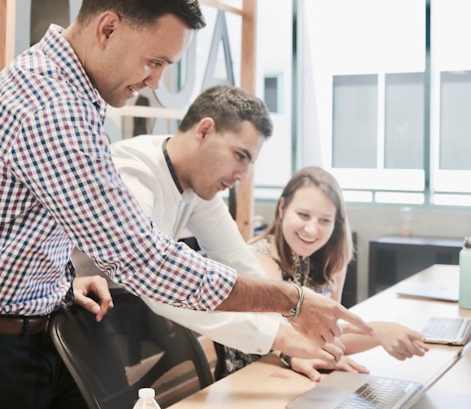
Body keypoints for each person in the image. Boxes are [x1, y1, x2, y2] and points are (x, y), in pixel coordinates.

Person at [0, 0, 373, 409]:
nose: (155, 82)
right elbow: (143, 259)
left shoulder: (69, 90)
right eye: (155, 61)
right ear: (108, 28)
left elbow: (18, 226)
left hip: (24, 333)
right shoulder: (52, 109)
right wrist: (290, 301)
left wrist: (62, 282)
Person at [98, 84, 343, 374]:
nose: (243, 175)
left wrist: (288, 346)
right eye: (240, 156)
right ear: (204, 130)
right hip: (62, 321)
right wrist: (281, 335)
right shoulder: (133, 170)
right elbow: (157, 278)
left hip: (109, 319)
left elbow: (238, 261)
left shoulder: (198, 188)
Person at [218, 166, 430, 381]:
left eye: (324, 220)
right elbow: (287, 337)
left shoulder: (334, 260)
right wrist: (377, 330)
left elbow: (331, 338)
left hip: (303, 374)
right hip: (254, 377)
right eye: (303, 215)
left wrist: (380, 335)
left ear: (336, 223)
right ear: (282, 208)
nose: (311, 229)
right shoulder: (260, 258)